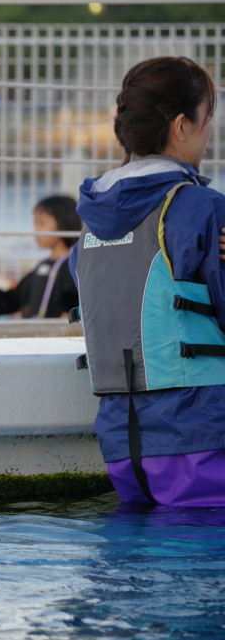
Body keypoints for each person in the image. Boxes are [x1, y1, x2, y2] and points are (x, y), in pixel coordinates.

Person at [71, 56, 224, 506]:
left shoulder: (90, 222)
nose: (209, 132)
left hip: (122, 445)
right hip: (206, 434)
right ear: (181, 125)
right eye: (207, 118)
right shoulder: (202, 209)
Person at [0, 195, 80, 318]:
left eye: (42, 224)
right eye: (35, 224)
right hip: (38, 334)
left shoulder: (72, 265)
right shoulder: (42, 266)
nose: (36, 230)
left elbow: (74, 299)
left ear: (64, 223)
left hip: (57, 335)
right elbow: (16, 298)